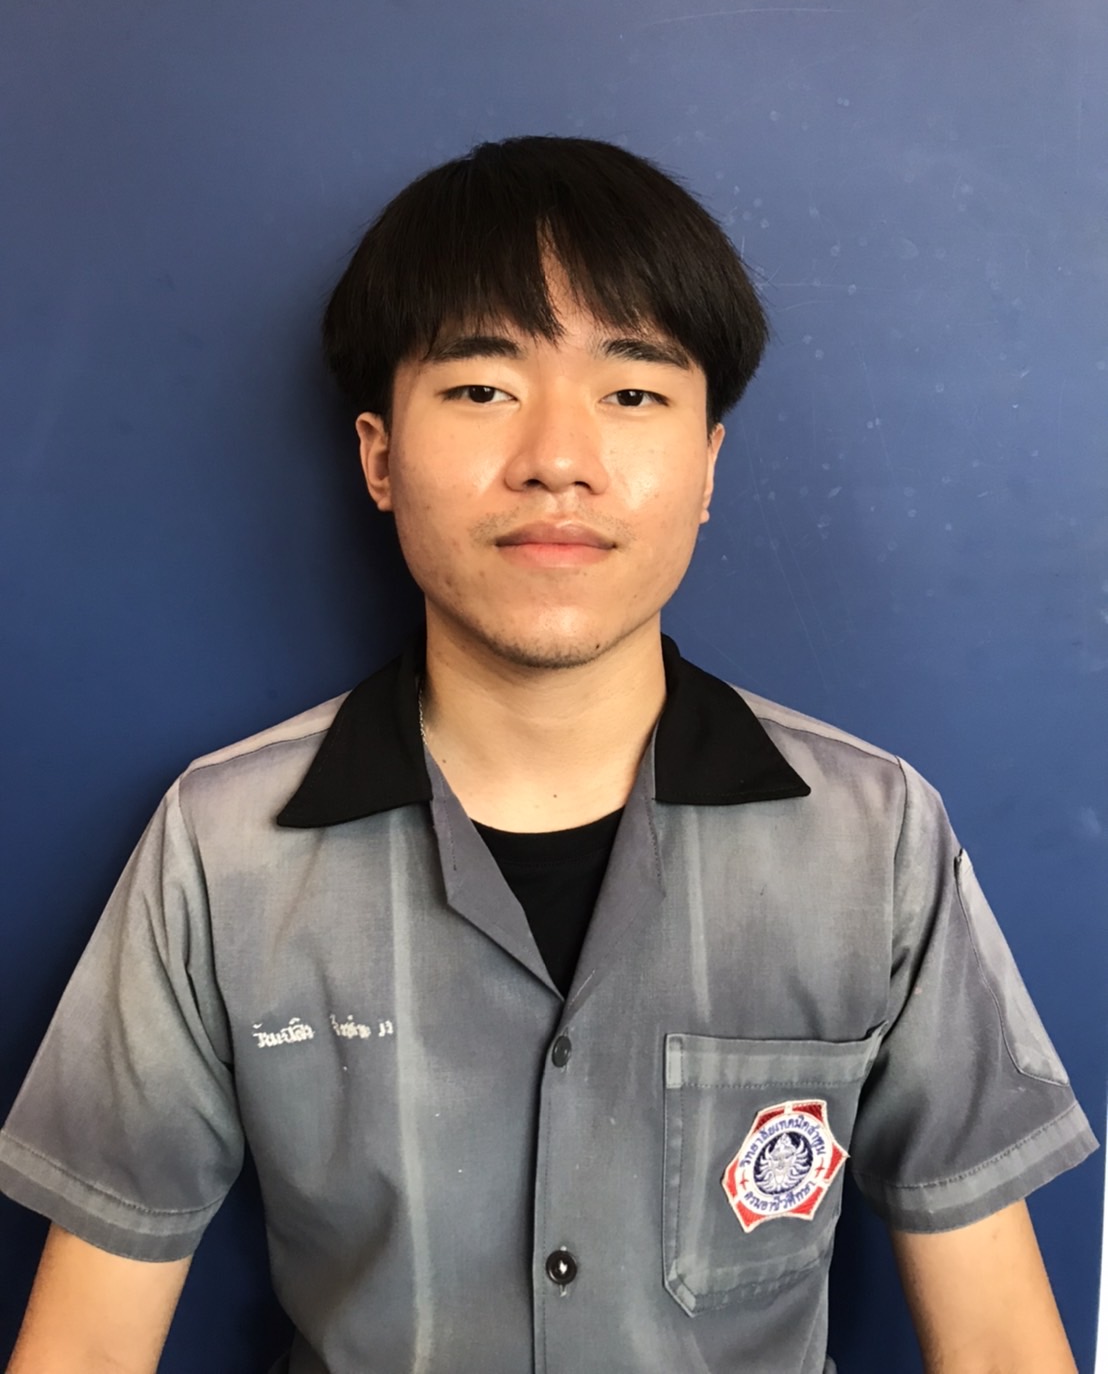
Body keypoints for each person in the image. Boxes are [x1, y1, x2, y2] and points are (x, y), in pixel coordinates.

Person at [0, 136, 1096, 1374]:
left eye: (631, 393)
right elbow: (84, 1346)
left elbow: (1000, 1344)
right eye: (482, 388)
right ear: (377, 455)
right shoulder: (224, 846)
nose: (557, 459)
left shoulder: (871, 835)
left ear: (707, 466)